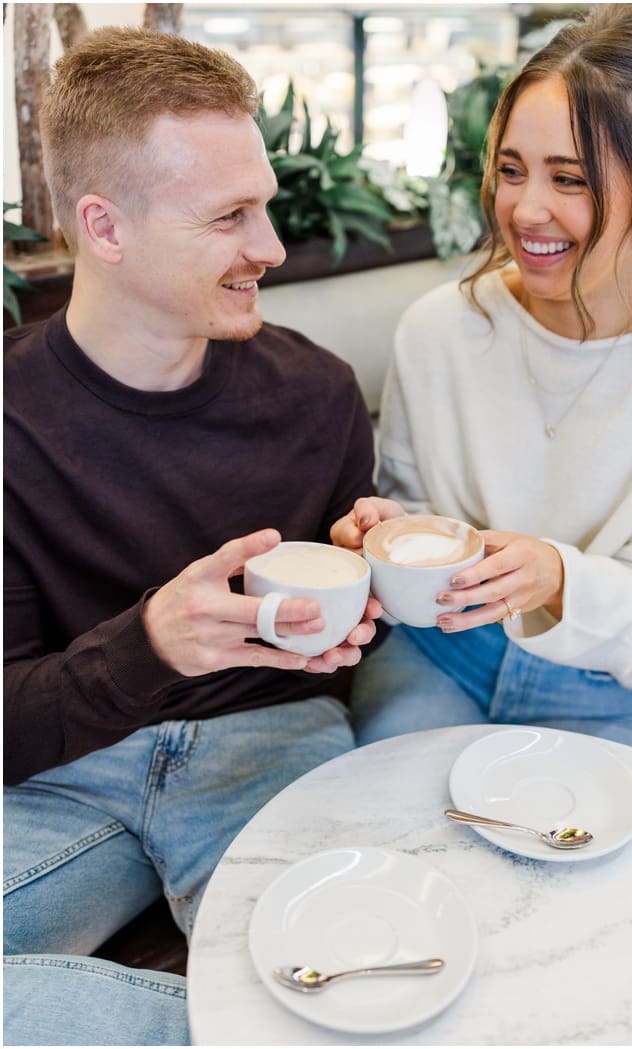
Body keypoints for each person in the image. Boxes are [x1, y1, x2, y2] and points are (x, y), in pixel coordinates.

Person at [4, 28, 379, 1044]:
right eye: (229, 216)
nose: (269, 246)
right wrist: (152, 644)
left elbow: (352, 642)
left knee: (349, 990)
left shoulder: (318, 395)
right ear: (105, 227)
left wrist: (371, 575)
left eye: (262, 205)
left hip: (270, 743)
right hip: (67, 769)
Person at [334, 5, 632, 755]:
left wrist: (555, 576)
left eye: (570, 179)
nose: (525, 209)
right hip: (441, 653)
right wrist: (381, 533)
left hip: (599, 687)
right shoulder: (438, 329)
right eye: (510, 170)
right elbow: (413, 507)